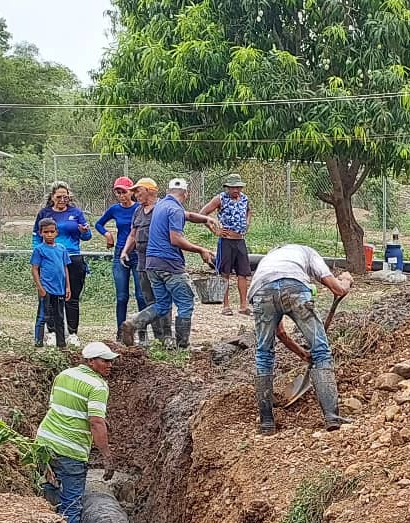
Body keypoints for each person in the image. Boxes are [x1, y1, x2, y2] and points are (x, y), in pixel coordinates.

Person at [249, 244, 353, 434]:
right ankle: (332, 416)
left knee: (264, 354)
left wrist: (303, 354)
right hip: (295, 287)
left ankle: (266, 423)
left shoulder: (267, 261)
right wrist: (346, 280)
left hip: (261, 292)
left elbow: (280, 332)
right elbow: (337, 289)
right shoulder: (308, 252)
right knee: (321, 351)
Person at [121, 178, 216, 349]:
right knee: (185, 303)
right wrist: (201, 249)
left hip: (151, 264)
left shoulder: (161, 206)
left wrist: (204, 219)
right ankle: (182, 346)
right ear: (186, 194)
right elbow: (176, 239)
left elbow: (187, 215)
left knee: (162, 304)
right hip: (170, 264)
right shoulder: (174, 209)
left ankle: (134, 323)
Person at [36, 341, 117, 523]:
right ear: (90, 361)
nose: (109, 365)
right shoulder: (98, 386)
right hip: (70, 450)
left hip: (44, 443)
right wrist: (106, 456)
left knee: (50, 489)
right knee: (71, 504)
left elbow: (56, 406)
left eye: (110, 361)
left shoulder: (65, 374)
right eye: (104, 361)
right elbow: (96, 422)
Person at [33, 181, 92, 347]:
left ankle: (72, 333)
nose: (62, 200)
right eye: (59, 197)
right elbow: (36, 237)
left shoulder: (76, 212)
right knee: (51, 297)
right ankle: (52, 332)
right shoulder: (44, 213)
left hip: (73, 258)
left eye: (65, 197)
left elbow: (87, 237)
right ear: (52, 197)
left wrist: (85, 231)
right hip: (51, 260)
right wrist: (40, 254)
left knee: (72, 297)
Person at [95, 176, 145, 341]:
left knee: (140, 295)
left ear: (131, 192)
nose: (121, 196)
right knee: (122, 296)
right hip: (120, 252)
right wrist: (107, 234)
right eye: (118, 192)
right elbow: (98, 224)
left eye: (124, 192)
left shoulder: (139, 208)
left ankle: (142, 331)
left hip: (138, 253)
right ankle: (120, 332)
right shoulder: (115, 209)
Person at [199, 173, 252, 316]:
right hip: (226, 241)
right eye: (233, 187)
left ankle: (243, 305)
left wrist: (247, 223)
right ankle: (226, 306)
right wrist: (215, 230)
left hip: (240, 240)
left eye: (238, 187)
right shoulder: (220, 198)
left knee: (243, 273)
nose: (236, 190)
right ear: (227, 187)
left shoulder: (244, 199)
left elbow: (248, 212)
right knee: (225, 273)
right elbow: (203, 214)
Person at [120, 176, 164, 343]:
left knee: (162, 299)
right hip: (142, 260)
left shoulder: (162, 208)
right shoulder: (138, 211)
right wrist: (125, 251)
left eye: (138, 190)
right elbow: (133, 234)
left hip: (159, 261)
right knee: (148, 299)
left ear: (150, 191)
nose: (135, 195)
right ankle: (158, 337)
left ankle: (165, 336)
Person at [31, 217, 71, 348]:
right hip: (46, 289)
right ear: (41, 233)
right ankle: (38, 343)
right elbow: (35, 269)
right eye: (46, 232)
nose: (49, 234)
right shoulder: (39, 249)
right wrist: (40, 287)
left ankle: (61, 345)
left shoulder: (62, 249)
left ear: (56, 232)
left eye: (52, 231)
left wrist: (68, 287)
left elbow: (65, 268)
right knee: (43, 316)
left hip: (59, 289)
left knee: (59, 317)